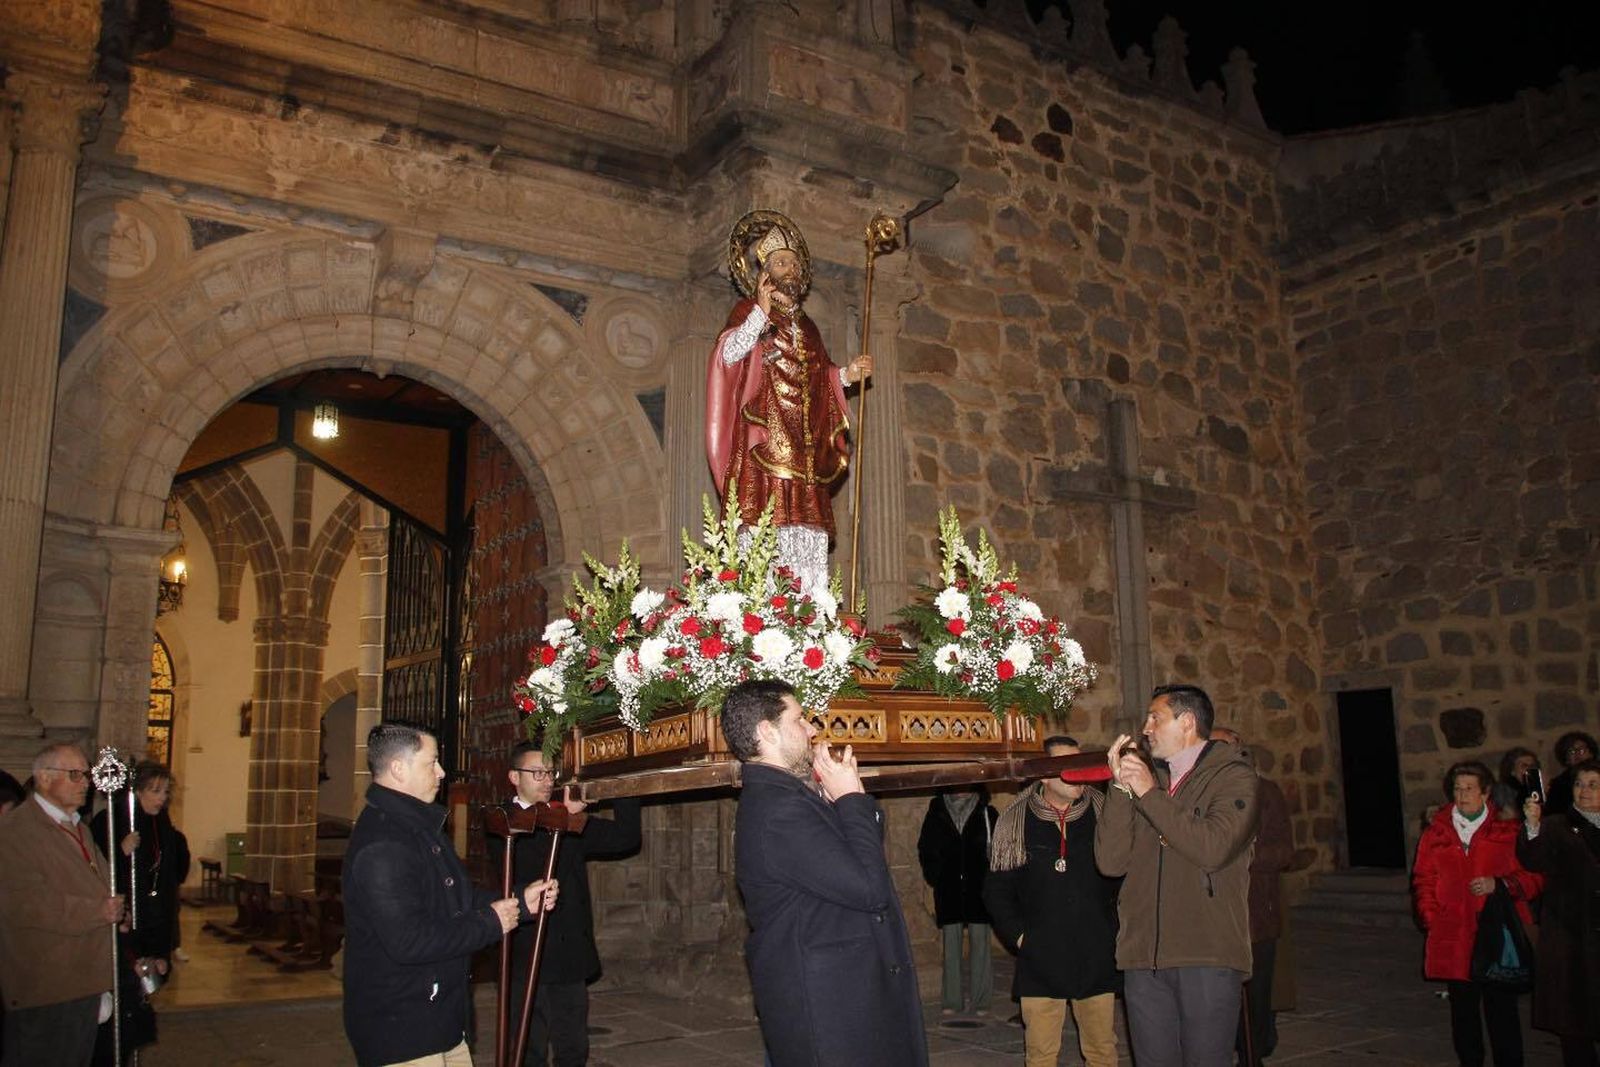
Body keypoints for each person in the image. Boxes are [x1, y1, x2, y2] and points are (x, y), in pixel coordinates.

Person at [721, 679, 925, 1067]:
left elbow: (855, 854)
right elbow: (868, 888)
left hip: (841, 990)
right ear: (767, 731)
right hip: (828, 1004)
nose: (813, 729)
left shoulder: (787, 797)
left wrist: (851, 801)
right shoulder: (779, 811)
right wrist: (850, 800)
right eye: (799, 720)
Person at [343, 723, 558, 1067]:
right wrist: (490, 923)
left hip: (441, 1019)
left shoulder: (420, 828)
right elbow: (408, 941)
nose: (442, 772)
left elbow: (458, 897)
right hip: (402, 1028)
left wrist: (520, 901)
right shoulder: (383, 845)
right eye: (432, 763)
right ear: (399, 769)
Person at [705, 213, 873, 593]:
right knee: (764, 524)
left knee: (807, 531)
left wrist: (846, 375)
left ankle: (810, 610)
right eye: (782, 262)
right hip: (764, 438)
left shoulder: (808, 326)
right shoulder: (749, 313)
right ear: (764, 272)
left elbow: (820, 374)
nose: (791, 268)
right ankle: (760, 609)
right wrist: (760, 314)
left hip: (804, 444)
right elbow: (728, 355)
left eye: (795, 263)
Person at [1095, 684, 1258, 1067]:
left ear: (1187, 722)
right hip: (1143, 957)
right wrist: (1120, 790)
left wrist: (1149, 794)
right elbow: (1111, 862)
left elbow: (1213, 849)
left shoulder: (1234, 778)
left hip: (1205, 952)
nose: (1146, 728)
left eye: (1156, 718)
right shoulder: (1152, 784)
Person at [501, 741, 641, 1066]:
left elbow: (625, 837)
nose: (547, 780)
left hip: (567, 954)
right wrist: (563, 817)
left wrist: (625, 783)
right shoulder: (502, 819)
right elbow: (530, 865)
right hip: (526, 952)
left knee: (573, 1046)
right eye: (537, 772)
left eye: (551, 772)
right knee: (527, 1048)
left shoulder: (564, 815)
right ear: (514, 777)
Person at [983, 735, 1120, 1067]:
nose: (1077, 775)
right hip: (1042, 958)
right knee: (1041, 1055)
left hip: (1095, 953)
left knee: (1102, 1050)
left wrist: (1116, 930)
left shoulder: (1105, 813)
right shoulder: (1014, 821)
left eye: (1080, 765)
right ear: (1044, 775)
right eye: (1065, 767)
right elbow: (996, 891)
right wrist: (1020, 937)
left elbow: (1126, 878)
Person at [0, 743, 125, 1067]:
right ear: (43, 777)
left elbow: (100, 880)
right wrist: (96, 911)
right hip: (49, 983)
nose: (86, 782)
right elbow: (22, 902)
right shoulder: (17, 831)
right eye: (75, 775)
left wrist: (118, 913)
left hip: (83, 978)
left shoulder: (77, 826)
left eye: (86, 774)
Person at [1412, 760, 1541, 1067]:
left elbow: (1533, 878)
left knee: (1502, 1013)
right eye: (1457, 788)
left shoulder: (1506, 832)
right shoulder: (1437, 833)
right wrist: (1431, 917)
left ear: (1486, 794)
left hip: (1495, 934)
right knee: (1464, 1014)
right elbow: (1423, 879)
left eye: (1470, 788)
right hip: (1455, 935)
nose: (1462, 794)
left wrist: (1500, 884)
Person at [89, 761, 187, 1066]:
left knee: (143, 1001)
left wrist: (163, 947)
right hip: (123, 926)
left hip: (155, 922)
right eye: (154, 791)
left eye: (165, 792)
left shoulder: (164, 826)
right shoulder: (111, 821)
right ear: (136, 791)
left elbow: (171, 880)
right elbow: (94, 874)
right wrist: (120, 851)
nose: (161, 798)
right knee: (121, 1007)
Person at [1211, 726, 1294, 1066]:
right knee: (1218, 997)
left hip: (1255, 913)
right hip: (1213, 915)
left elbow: (1284, 852)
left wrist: (1239, 857)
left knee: (1256, 994)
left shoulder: (1265, 792)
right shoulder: (1197, 793)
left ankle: (1252, 1055)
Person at [1518, 759, 1600, 1066]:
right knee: (1576, 1026)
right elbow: (1533, 858)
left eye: (1593, 784)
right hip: (1571, 938)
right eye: (1580, 784)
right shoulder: (1556, 826)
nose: (1585, 791)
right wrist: (1532, 825)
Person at [917, 787, 997, 1016]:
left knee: (980, 944)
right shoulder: (937, 813)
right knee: (950, 946)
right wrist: (936, 875)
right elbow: (926, 848)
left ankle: (981, 1000)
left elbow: (999, 847)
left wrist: (991, 881)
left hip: (979, 889)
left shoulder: (986, 812)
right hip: (949, 888)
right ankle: (952, 1000)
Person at [1546, 733, 1598, 817]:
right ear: (1566, 759)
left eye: (1581, 750)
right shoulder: (1558, 785)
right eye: (1572, 751)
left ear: (1591, 753)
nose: (1577, 754)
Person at [1492, 748, 1540, 822]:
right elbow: (1510, 814)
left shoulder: (1537, 788)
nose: (1529, 769)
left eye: (1532, 766)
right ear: (1512, 771)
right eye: (1524, 766)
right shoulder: (1502, 789)